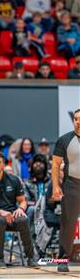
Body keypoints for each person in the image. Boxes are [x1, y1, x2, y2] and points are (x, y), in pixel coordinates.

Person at [0, 151, 37, 268]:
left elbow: (22, 200)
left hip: (11, 216)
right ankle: (0, 259)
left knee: (22, 219)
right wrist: (1, 212)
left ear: (3, 165)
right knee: (0, 220)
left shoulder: (14, 180)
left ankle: (30, 257)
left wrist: (21, 208)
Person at [51, 108, 80, 272]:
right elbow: (55, 164)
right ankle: (62, 260)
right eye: (75, 119)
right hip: (72, 185)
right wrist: (56, 186)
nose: (78, 121)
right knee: (68, 223)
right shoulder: (65, 140)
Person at [23, 154, 50, 238]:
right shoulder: (26, 182)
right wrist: (38, 205)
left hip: (49, 207)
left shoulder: (51, 181)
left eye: (41, 162)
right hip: (34, 208)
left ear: (45, 166)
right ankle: (30, 239)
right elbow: (26, 200)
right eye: (36, 162)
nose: (38, 164)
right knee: (31, 209)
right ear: (32, 166)